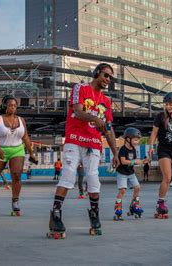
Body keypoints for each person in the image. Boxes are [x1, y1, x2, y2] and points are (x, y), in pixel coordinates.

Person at [47, 63, 119, 239]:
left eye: (110, 78)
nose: (108, 80)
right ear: (96, 73)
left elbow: (109, 128)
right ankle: (56, 215)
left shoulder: (106, 101)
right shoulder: (81, 88)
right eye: (106, 75)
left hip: (94, 144)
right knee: (69, 175)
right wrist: (95, 118)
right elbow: (78, 112)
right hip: (75, 139)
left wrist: (116, 152)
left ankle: (94, 215)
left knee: (93, 178)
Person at [113, 127, 146, 221]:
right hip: (122, 173)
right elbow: (123, 161)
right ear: (128, 139)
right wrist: (134, 162)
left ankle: (134, 204)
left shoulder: (134, 150)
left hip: (130, 173)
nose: (137, 142)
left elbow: (133, 161)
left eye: (138, 140)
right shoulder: (123, 149)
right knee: (122, 190)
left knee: (137, 188)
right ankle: (118, 207)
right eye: (135, 140)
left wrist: (142, 161)